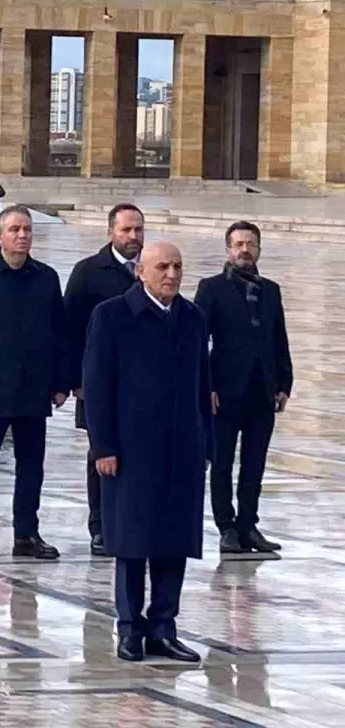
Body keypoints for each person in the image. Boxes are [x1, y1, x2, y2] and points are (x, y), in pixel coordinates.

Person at [84, 241, 212, 664]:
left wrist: (205, 444)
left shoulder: (192, 318)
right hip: (131, 450)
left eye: (178, 266)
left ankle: (163, 627)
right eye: (163, 267)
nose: (172, 275)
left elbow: (201, 388)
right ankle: (129, 628)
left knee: (173, 541)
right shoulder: (112, 315)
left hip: (181, 450)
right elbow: (98, 387)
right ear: (141, 271)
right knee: (132, 543)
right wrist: (103, 446)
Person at [0, 205, 68, 562]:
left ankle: (26, 533)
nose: (23, 235)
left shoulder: (47, 278)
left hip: (33, 390)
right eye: (15, 229)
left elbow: (58, 333)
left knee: (31, 467)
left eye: (28, 230)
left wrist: (59, 381)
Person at [195, 221, 293, 555]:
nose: (244, 250)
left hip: (261, 390)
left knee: (255, 462)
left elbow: (278, 339)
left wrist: (284, 384)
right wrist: (204, 385)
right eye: (238, 244)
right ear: (228, 250)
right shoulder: (211, 289)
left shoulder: (271, 290)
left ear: (259, 250)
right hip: (223, 391)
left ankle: (248, 525)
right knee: (222, 461)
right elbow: (198, 341)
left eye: (250, 244)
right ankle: (227, 527)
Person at [63, 203, 145, 556]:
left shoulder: (150, 269)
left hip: (141, 384)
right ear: (111, 231)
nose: (133, 237)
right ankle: (100, 525)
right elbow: (68, 328)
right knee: (101, 452)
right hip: (99, 382)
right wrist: (73, 379)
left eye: (138, 229)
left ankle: (131, 521)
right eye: (126, 230)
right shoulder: (89, 272)